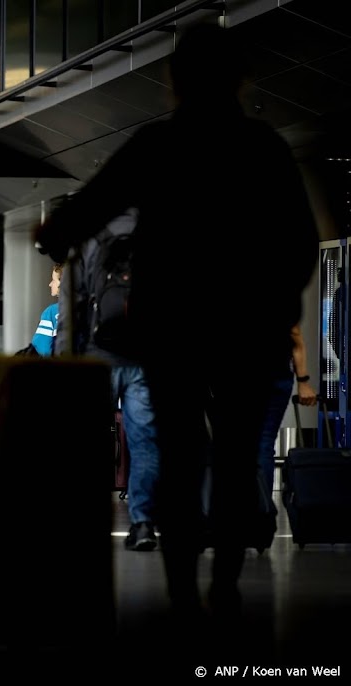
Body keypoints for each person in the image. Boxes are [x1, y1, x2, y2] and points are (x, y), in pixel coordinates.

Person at [34, 24, 318, 624]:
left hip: (174, 334)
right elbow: (300, 242)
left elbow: (88, 209)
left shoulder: (157, 145)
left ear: (173, 82)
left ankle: (185, 590)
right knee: (239, 459)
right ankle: (226, 584)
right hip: (249, 334)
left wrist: (52, 234)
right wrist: (275, 305)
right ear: (241, 80)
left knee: (180, 456)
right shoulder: (263, 146)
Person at [63, 209, 161, 552]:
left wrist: (67, 360)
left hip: (97, 356)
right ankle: (143, 522)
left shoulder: (91, 239)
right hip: (145, 359)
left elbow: (71, 304)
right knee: (145, 442)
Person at [259, 324, 316, 493]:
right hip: (278, 372)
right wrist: (303, 381)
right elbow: (294, 333)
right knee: (264, 442)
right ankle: (263, 508)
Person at [30, 264, 62, 356]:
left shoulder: (51, 312)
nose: (50, 284)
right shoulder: (88, 309)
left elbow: (42, 349)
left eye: (53, 280)